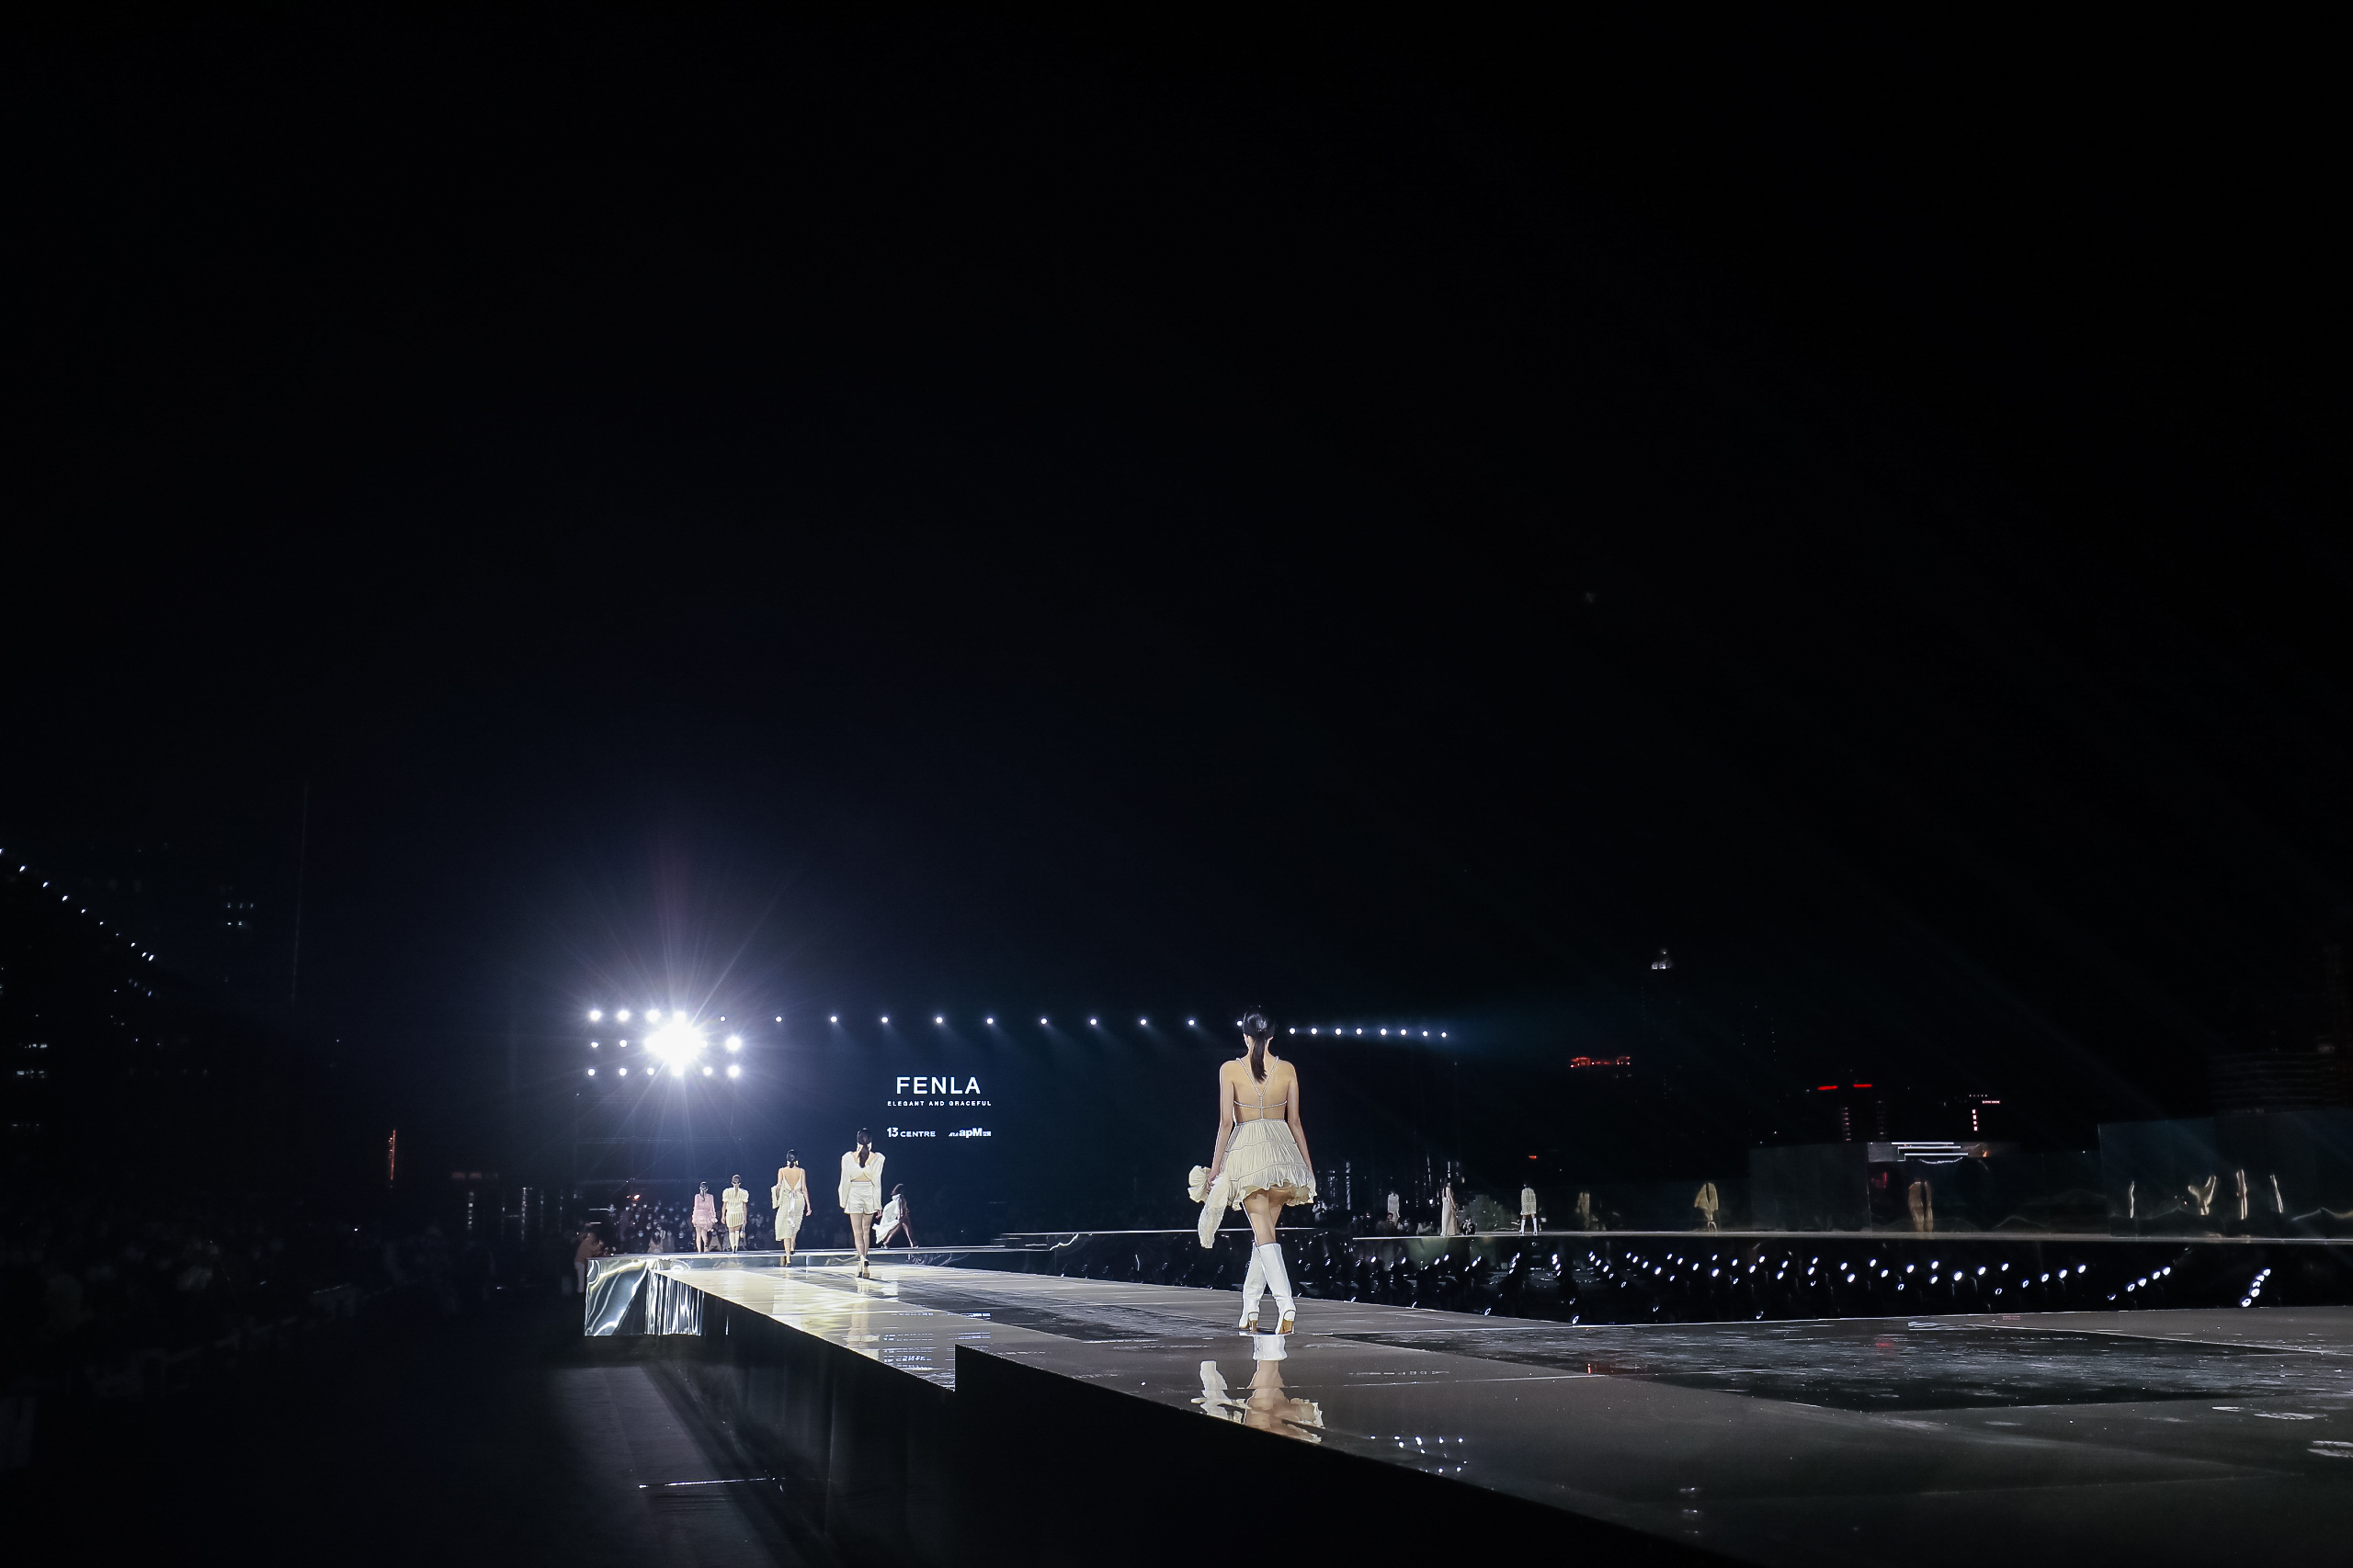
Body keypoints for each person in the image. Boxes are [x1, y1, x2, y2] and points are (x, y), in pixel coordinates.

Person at [1202, 1008, 1315, 1335]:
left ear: (1245, 1036)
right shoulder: (1287, 1069)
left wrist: (1215, 1168)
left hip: (1248, 1155)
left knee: (1264, 1235)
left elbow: (1226, 1123)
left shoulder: (1230, 1069)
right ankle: (1249, 1308)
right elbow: (1295, 1122)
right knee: (1263, 1235)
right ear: (1272, 1036)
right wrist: (1308, 1168)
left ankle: (1286, 1305)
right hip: (1283, 1156)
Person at [839, 1130, 884, 1278]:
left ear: (857, 1141)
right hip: (869, 1194)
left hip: (854, 1194)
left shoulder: (848, 1157)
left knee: (857, 1231)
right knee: (866, 1231)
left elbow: (845, 1181)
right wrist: (878, 1204)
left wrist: (843, 1201)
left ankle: (862, 1259)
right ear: (871, 1141)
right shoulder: (878, 1158)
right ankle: (864, 1266)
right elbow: (877, 1183)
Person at [772, 1153, 808, 1264]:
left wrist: (776, 1194)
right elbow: (804, 1189)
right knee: (794, 1223)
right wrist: (808, 1205)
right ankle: (793, 1243)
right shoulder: (801, 1171)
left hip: (787, 1200)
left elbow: (778, 1186)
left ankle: (788, 1257)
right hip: (798, 1200)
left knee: (786, 1227)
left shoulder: (782, 1171)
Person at [875, 1184, 915, 1249]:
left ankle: (912, 1242)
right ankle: (887, 1241)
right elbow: (899, 1207)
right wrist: (900, 1215)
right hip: (891, 1211)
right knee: (898, 1226)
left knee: (907, 1225)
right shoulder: (900, 1196)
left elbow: (902, 1206)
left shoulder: (899, 1197)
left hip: (893, 1210)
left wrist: (905, 1210)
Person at [722, 1175, 751, 1251]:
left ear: (732, 1182)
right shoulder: (744, 1192)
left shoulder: (727, 1192)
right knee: (737, 1230)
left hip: (730, 1213)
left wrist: (723, 1216)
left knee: (731, 1231)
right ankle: (736, 1247)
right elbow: (744, 1206)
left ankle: (733, 1246)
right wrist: (745, 1217)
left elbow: (724, 1205)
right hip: (739, 1213)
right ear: (740, 1183)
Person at [690, 1182, 718, 1252]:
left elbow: (696, 1208)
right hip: (706, 1216)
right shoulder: (710, 1196)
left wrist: (694, 1218)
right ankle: (705, 1246)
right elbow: (712, 1208)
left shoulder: (697, 1196)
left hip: (698, 1216)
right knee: (704, 1234)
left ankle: (699, 1250)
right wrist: (713, 1217)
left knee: (698, 1234)